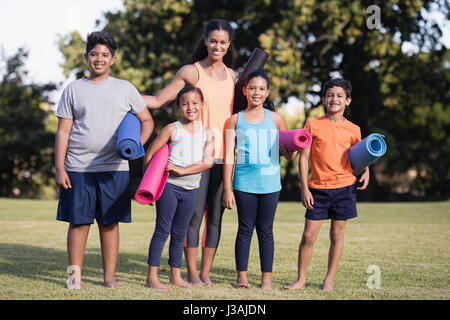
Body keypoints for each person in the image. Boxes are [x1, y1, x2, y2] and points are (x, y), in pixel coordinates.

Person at [55, 31, 154, 289]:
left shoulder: (125, 89)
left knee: (109, 224)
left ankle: (109, 278)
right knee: (78, 223)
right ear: (87, 56)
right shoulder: (73, 89)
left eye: (105, 55)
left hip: (114, 168)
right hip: (77, 168)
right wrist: (59, 167)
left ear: (113, 59)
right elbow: (63, 131)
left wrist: (135, 146)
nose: (99, 59)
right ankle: (74, 278)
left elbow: (147, 120)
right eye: (94, 54)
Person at [142, 20, 236, 285]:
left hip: (224, 154)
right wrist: (123, 96)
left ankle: (205, 273)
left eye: (223, 42)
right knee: (193, 217)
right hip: (196, 155)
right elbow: (159, 100)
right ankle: (191, 272)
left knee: (215, 218)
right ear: (205, 41)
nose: (218, 46)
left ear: (229, 45)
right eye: (213, 41)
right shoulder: (191, 72)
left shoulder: (234, 76)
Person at [284, 78, 370, 292]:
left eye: (340, 96)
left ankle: (328, 279)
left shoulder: (354, 129)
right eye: (330, 95)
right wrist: (304, 187)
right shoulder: (313, 125)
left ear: (347, 101)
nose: (335, 99)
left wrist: (366, 169)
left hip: (345, 188)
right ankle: (301, 279)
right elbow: (303, 158)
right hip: (317, 189)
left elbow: (359, 155)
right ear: (324, 99)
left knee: (336, 235)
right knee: (308, 236)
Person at [222, 69, 296, 290]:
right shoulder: (233, 120)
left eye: (261, 89)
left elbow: (289, 154)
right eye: (252, 88)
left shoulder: (277, 119)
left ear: (267, 93)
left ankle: (266, 279)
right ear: (244, 91)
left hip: (270, 184)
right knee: (244, 229)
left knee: (266, 230)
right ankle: (242, 278)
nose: (256, 92)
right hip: (244, 183)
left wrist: (293, 148)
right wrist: (227, 188)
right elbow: (227, 157)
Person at [144, 86, 214, 290]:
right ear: (178, 107)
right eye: (185, 104)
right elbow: (150, 154)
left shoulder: (208, 133)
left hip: (191, 189)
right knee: (162, 229)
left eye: (194, 103)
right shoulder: (172, 129)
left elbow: (208, 162)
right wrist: (148, 187)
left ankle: (176, 276)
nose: (190, 107)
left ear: (202, 105)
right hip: (169, 187)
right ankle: (152, 277)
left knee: (180, 232)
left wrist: (183, 170)